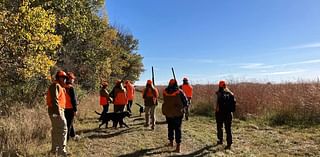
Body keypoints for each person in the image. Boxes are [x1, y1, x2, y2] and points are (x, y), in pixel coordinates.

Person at [162, 79, 188, 153]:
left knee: (170, 127)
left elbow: (165, 100)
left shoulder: (164, 91)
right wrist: (184, 108)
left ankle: (171, 142)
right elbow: (185, 102)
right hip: (178, 113)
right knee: (177, 129)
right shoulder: (180, 92)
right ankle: (178, 147)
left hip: (168, 112)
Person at [46, 70, 68, 156]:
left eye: (66, 78)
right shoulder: (55, 85)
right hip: (56, 111)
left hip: (56, 110)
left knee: (56, 130)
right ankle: (61, 151)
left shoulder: (59, 86)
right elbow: (54, 99)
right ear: (59, 78)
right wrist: (57, 113)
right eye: (63, 78)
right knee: (63, 129)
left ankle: (54, 150)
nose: (65, 80)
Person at [215, 80, 236, 150]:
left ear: (219, 86)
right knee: (228, 129)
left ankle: (220, 140)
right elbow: (234, 105)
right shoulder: (231, 93)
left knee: (219, 127)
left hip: (220, 114)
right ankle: (229, 144)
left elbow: (217, 105)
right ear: (225, 85)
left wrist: (216, 111)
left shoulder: (218, 93)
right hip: (229, 114)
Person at [64, 72, 78, 141]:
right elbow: (73, 100)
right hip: (70, 108)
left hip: (63, 108)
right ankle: (66, 140)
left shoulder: (62, 86)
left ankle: (73, 135)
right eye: (72, 78)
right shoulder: (71, 88)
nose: (73, 80)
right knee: (68, 125)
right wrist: (75, 110)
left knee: (69, 123)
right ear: (69, 79)